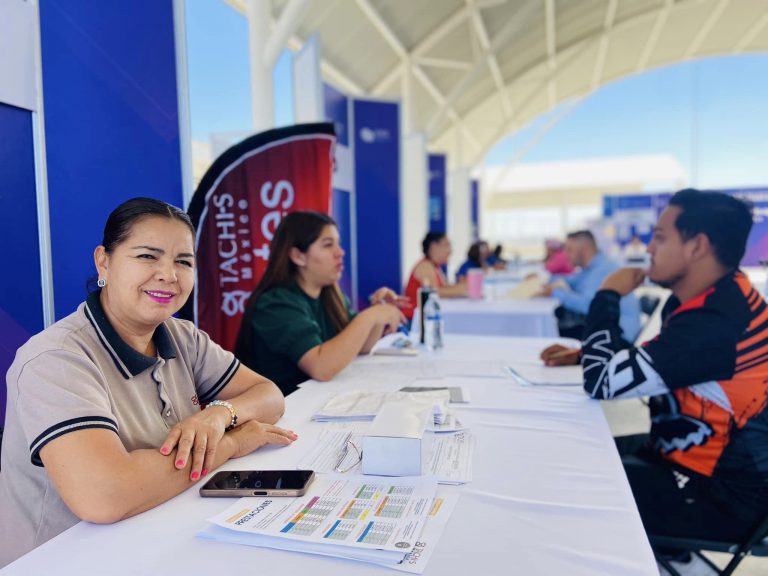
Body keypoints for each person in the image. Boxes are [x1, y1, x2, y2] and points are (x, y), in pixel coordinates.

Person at [0, 198, 294, 567]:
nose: (169, 275)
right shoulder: (56, 360)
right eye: (147, 256)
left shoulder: (182, 336)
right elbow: (105, 495)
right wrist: (233, 442)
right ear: (103, 261)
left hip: (155, 535)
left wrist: (218, 415)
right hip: (62, 560)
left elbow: (269, 396)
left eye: (183, 262)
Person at [540, 190, 768, 562]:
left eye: (660, 237)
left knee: (569, 486)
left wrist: (608, 295)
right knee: (574, 454)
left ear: (697, 246)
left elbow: (601, 383)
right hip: (683, 462)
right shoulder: (715, 299)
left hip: (721, 499)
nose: (648, 248)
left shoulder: (717, 322)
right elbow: (668, 361)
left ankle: (672, 560)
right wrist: (587, 354)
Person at [235, 211, 405, 396]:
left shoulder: (330, 294)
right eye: (328, 245)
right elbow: (321, 367)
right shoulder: (275, 303)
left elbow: (362, 347)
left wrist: (376, 313)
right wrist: (370, 316)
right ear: (298, 256)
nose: (340, 252)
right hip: (284, 412)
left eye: (338, 244)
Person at [538, 230, 640, 342]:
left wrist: (554, 292)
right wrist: (543, 279)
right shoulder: (592, 267)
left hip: (618, 336)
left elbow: (588, 306)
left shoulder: (603, 269)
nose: (565, 255)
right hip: (607, 327)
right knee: (555, 330)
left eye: (569, 250)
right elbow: (572, 281)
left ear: (584, 250)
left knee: (549, 335)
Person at [403, 232, 468, 320]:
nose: (450, 251)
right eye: (446, 245)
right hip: (414, 321)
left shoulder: (435, 267)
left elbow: (445, 288)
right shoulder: (424, 266)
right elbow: (436, 293)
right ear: (434, 246)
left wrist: (462, 286)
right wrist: (464, 289)